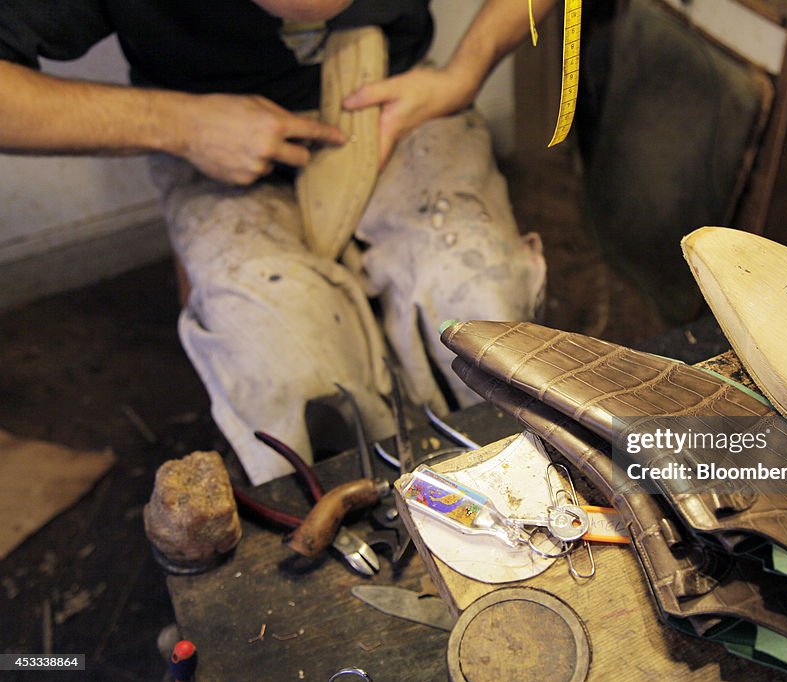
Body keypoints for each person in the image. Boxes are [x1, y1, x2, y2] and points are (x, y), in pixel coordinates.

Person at [0, 0, 553, 483]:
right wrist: (180, 126)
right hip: (201, 115)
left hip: (398, 90)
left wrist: (467, 69)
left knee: (485, 313)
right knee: (288, 383)